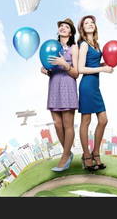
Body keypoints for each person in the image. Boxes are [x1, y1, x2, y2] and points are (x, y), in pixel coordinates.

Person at [41, 18, 79, 172]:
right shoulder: (52, 46)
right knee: (57, 124)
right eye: (61, 26)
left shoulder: (74, 48)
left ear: (71, 32)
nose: (63, 28)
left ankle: (64, 157)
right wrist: (46, 70)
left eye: (66, 26)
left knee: (67, 124)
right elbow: (49, 65)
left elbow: (76, 73)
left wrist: (64, 64)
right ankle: (68, 153)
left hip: (68, 86)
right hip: (54, 85)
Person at [77, 15, 113, 171]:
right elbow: (80, 69)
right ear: (82, 28)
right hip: (86, 85)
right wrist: (102, 69)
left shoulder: (96, 44)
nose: (90, 24)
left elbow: (92, 63)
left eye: (92, 22)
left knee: (103, 120)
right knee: (86, 120)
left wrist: (103, 64)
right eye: (86, 23)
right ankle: (86, 155)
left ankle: (96, 152)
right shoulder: (83, 45)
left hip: (95, 87)